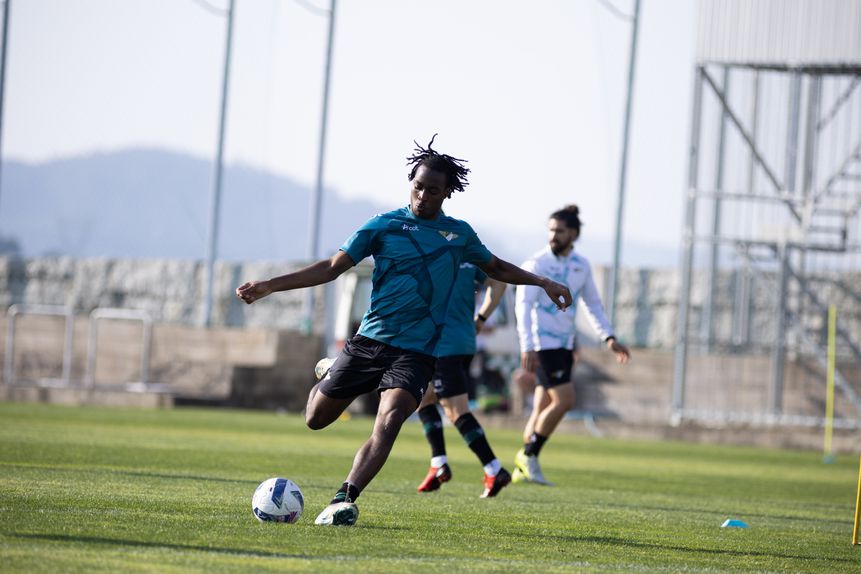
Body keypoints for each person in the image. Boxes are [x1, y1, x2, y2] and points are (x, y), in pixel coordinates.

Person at [236, 136, 573, 526]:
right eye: (418, 186)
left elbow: (496, 268)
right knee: (315, 418)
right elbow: (331, 268)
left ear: (447, 193)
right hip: (370, 342)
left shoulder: (459, 235)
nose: (423, 196)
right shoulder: (384, 225)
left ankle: (344, 498)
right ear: (410, 183)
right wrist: (270, 285)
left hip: (417, 352)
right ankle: (331, 370)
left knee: (390, 419)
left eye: (433, 190)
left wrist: (543, 282)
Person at [513, 204, 630, 486]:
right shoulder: (537, 264)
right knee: (565, 400)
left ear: (574, 234)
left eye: (560, 231)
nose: (553, 235)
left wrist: (609, 337)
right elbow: (523, 306)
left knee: (542, 407)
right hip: (543, 345)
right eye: (551, 230)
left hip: (565, 346)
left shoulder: (581, 265)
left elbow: (593, 305)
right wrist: (527, 346)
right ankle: (528, 455)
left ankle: (521, 470)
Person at [415, 270, 510, 498]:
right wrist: (481, 319)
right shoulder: (471, 255)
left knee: (456, 410)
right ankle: (438, 462)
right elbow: (499, 282)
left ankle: (494, 468)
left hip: (443, 344)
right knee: (424, 398)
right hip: (464, 341)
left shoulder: (432, 253)